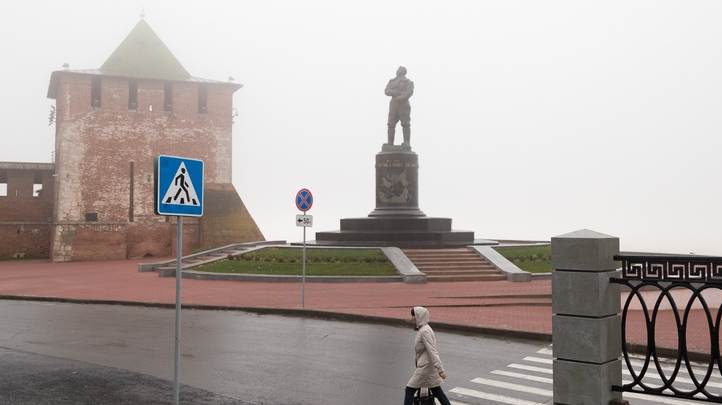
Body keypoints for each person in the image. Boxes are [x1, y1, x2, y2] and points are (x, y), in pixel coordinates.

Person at [403, 306, 452, 405]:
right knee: (437, 391)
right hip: (428, 366)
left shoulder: (424, 331)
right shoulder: (424, 329)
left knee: (409, 390)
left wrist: (441, 370)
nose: (412, 318)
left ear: (419, 317)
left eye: (414, 316)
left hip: (426, 368)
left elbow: (432, 351)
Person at [385, 66, 414, 147]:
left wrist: (399, 97)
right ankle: (390, 143)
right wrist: (394, 93)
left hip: (403, 104)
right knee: (390, 124)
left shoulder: (408, 82)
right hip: (393, 104)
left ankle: (406, 143)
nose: (397, 71)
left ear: (402, 71)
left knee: (405, 124)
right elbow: (386, 91)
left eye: (398, 70)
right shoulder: (392, 81)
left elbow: (409, 93)